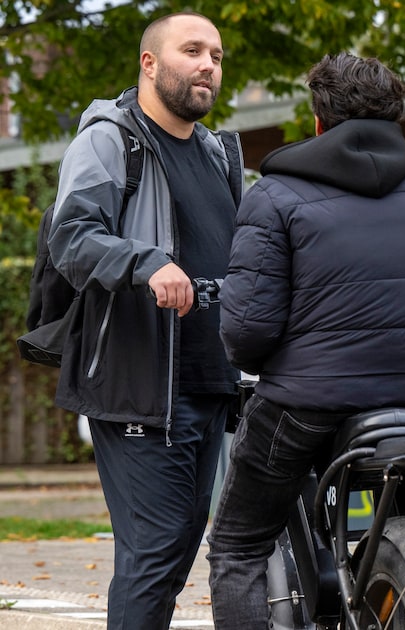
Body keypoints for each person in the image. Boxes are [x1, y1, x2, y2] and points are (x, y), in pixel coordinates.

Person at [206, 52, 405, 628]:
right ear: (395, 115)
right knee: (396, 502)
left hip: (306, 405)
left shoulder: (275, 192)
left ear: (319, 120)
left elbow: (247, 333)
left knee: (237, 545)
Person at [45, 12, 243, 629]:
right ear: (149, 63)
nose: (208, 65)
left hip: (210, 383)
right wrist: (147, 261)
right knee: (153, 551)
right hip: (139, 382)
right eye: (193, 51)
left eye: (216, 56)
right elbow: (71, 238)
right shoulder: (111, 139)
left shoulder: (216, 153)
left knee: (179, 545)